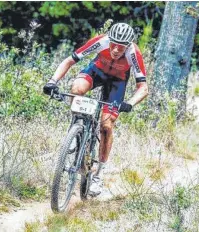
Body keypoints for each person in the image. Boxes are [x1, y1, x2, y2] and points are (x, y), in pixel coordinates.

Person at [43, 23, 148, 195]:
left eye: (121, 47)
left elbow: (143, 87)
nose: (115, 49)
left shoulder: (134, 53)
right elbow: (70, 60)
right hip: (96, 71)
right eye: (113, 44)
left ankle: (98, 175)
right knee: (76, 90)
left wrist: (130, 103)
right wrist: (52, 81)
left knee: (106, 126)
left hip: (117, 83)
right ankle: (76, 129)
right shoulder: (101, 41)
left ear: (128, 45)